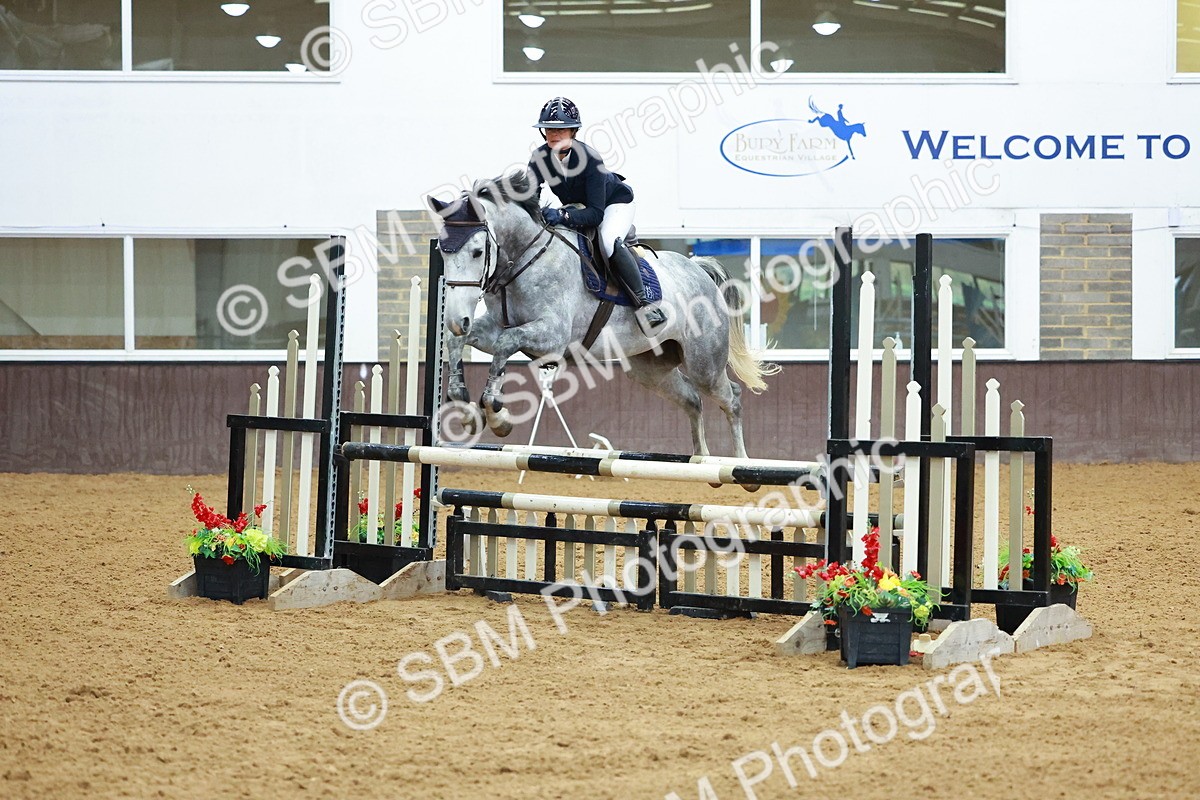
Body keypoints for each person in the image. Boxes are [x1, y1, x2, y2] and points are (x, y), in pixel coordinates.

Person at [527, 96, 665, 328]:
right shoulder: (540, 157)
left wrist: (562, 216)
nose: (554, 134)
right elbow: (530, 194)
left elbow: (595, 215)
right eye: (549, 128)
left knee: (608, 242)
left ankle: (646, 306)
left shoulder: (590, 159)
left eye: (561, 129)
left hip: (613, 204)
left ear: (573, 131)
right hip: (578, 206)